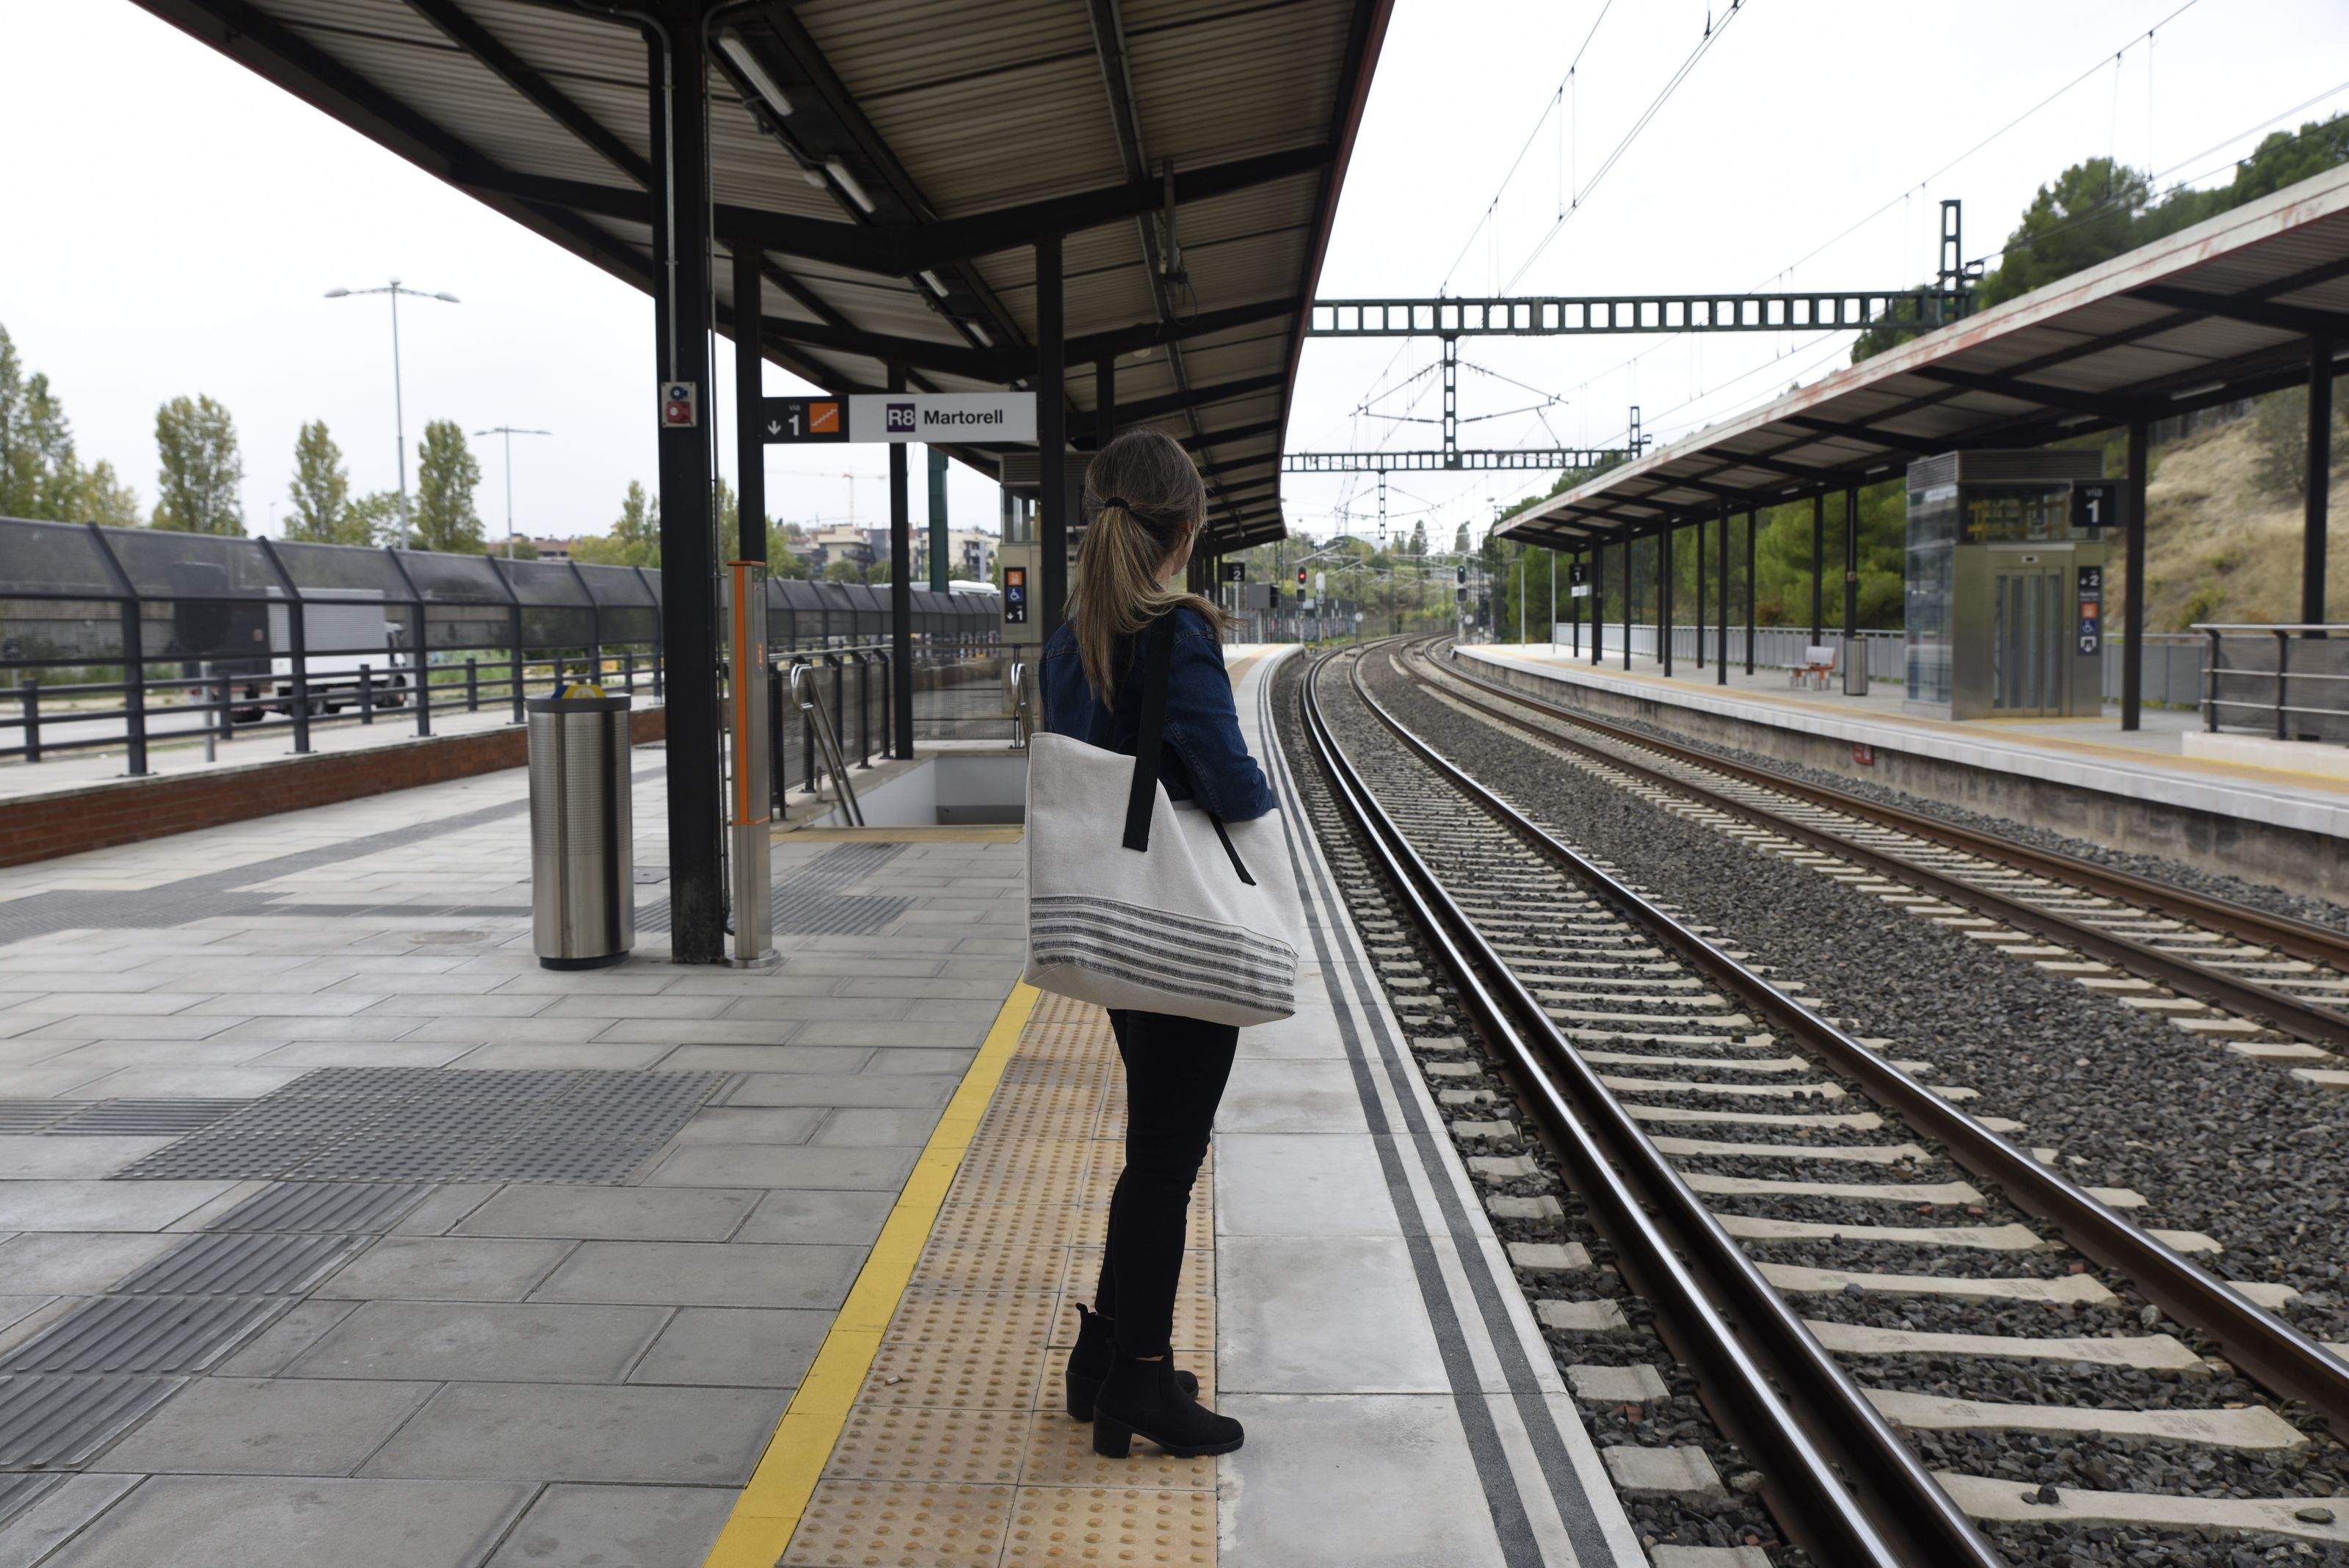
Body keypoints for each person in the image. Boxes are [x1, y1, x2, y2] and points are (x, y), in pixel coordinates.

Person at [1039, 427, 1276, 1460]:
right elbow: (1227, 781)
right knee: (1167, 1161)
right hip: (1182, 924)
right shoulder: (1175, 631)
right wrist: (1264, 802)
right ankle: (1139, 1375)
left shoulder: (1071, 637)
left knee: (1153, 1148)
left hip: (1115, 918)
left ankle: (1102, 1357)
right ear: (1186, 530)